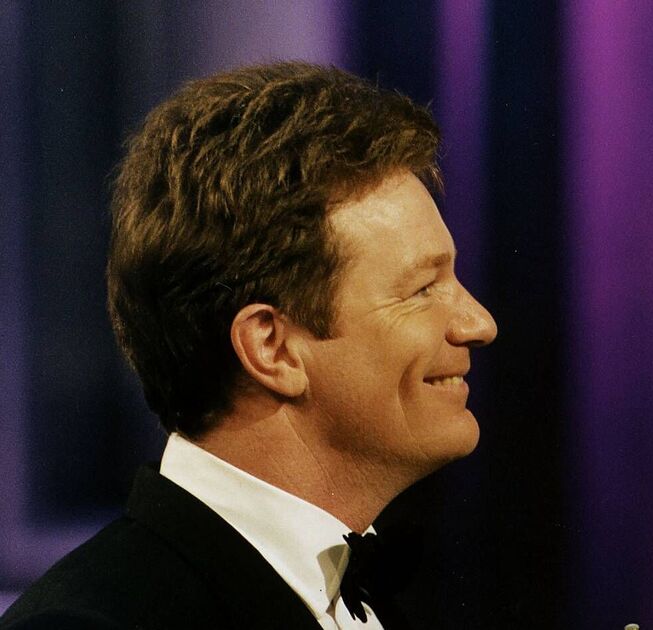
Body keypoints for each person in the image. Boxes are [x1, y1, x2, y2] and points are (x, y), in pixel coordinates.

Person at [0, 62, 496, 630]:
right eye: (422, 289)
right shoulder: (90, 624)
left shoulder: (365, 599)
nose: (479, 323)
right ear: (272, 348)